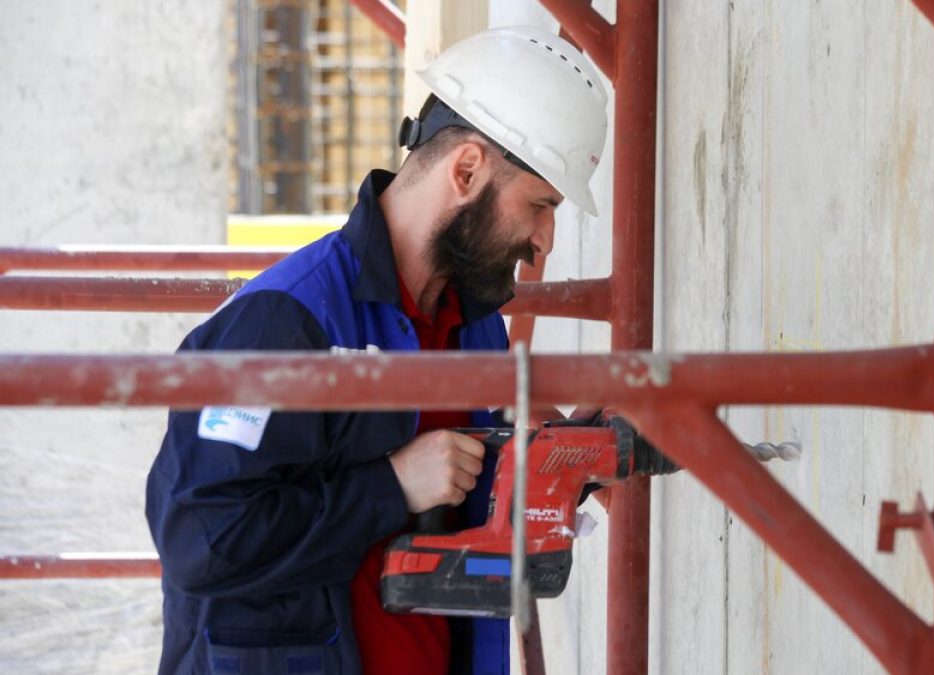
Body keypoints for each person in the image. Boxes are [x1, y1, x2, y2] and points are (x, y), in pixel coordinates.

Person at [145, 25, 608, 675]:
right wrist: (390, 484)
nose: (544, 242)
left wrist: (554, 467)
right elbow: (202, 540)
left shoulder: (473, 329)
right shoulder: (286, 321)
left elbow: (465, 512)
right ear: (467, 169)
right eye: (539, 205)